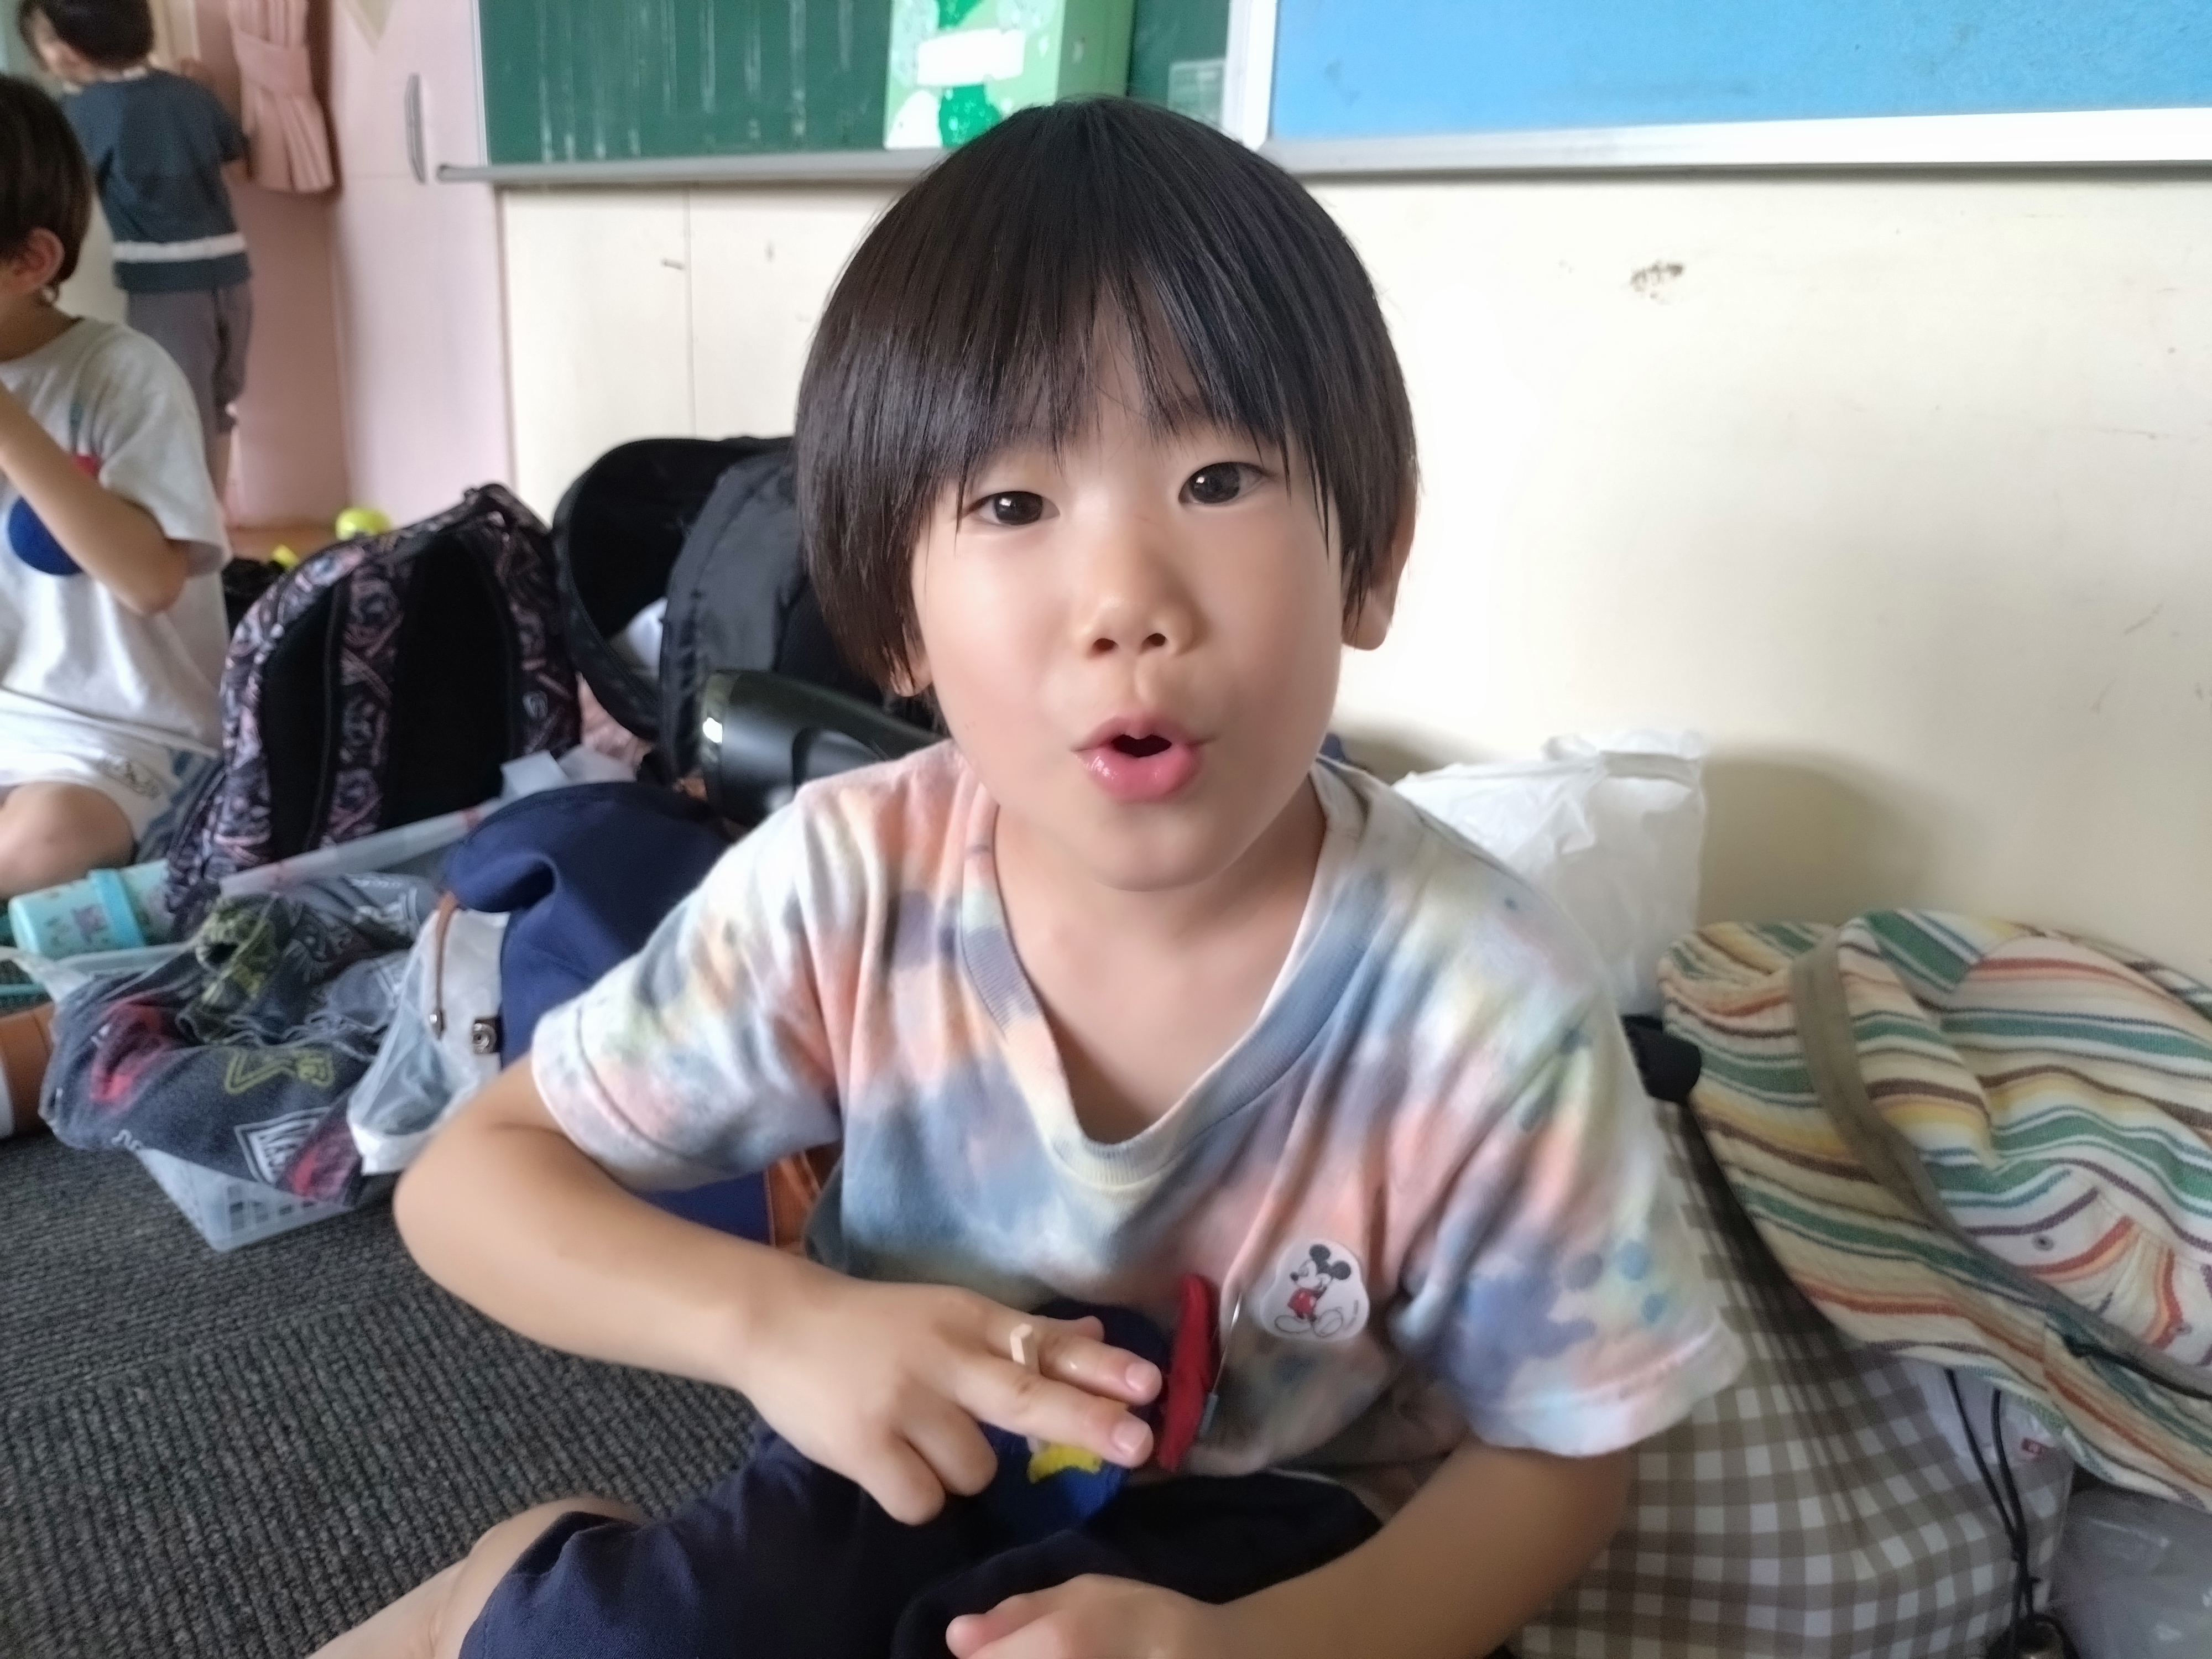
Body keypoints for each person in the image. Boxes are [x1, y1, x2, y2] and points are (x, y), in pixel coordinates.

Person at [316, 99, 1745, 1659]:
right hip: (907, 1454)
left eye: (1219, 478)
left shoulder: (1485, 996)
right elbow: (473, 1178)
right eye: (1013, 506)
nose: (1124, 599)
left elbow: (1560, 1458)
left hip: (1283, 1531)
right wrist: (777, 1325)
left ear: (1371, 551)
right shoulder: (851, 883)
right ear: (896, 623)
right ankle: (520, 1574)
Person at [0, 75, 226, 904]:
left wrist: (10, 426)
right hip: (11, 718)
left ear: (30, 261)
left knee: (43, 843)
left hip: (129, 736)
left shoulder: (122, 375)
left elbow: (148, 580)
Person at [18, 0, 251, 497]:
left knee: (177, 408)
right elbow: (240, 170)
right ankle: (215, 523)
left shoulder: (82, 114)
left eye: (46, 38)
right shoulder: (192, 93)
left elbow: (61, 196)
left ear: (71, 48)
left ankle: (193, 532)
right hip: (233, 272)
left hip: (164, 282)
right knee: (218, 404)